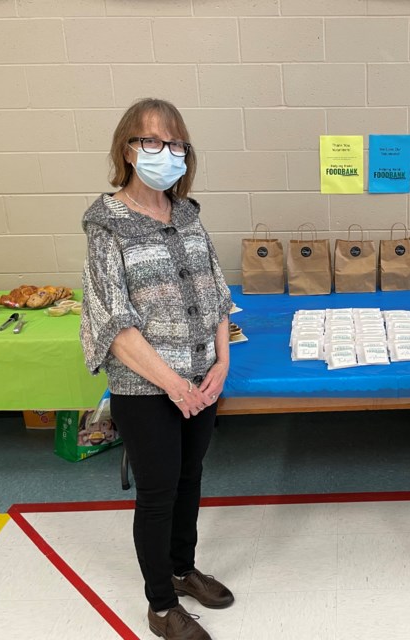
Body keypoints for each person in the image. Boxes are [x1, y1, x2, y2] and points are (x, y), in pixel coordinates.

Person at [79, 98, 234, 640]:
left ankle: (181, 567)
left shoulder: (188, 214)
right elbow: (113, 321)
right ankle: (161, 605)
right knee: (158, 492)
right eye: (151, 142)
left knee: (191, 481)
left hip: (201, 380)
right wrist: (173, 384)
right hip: (147, 390)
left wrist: (221, 363)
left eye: (175, 144)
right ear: (127, 148)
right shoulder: (107, 224)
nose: (164, 153)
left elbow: (217, 294)